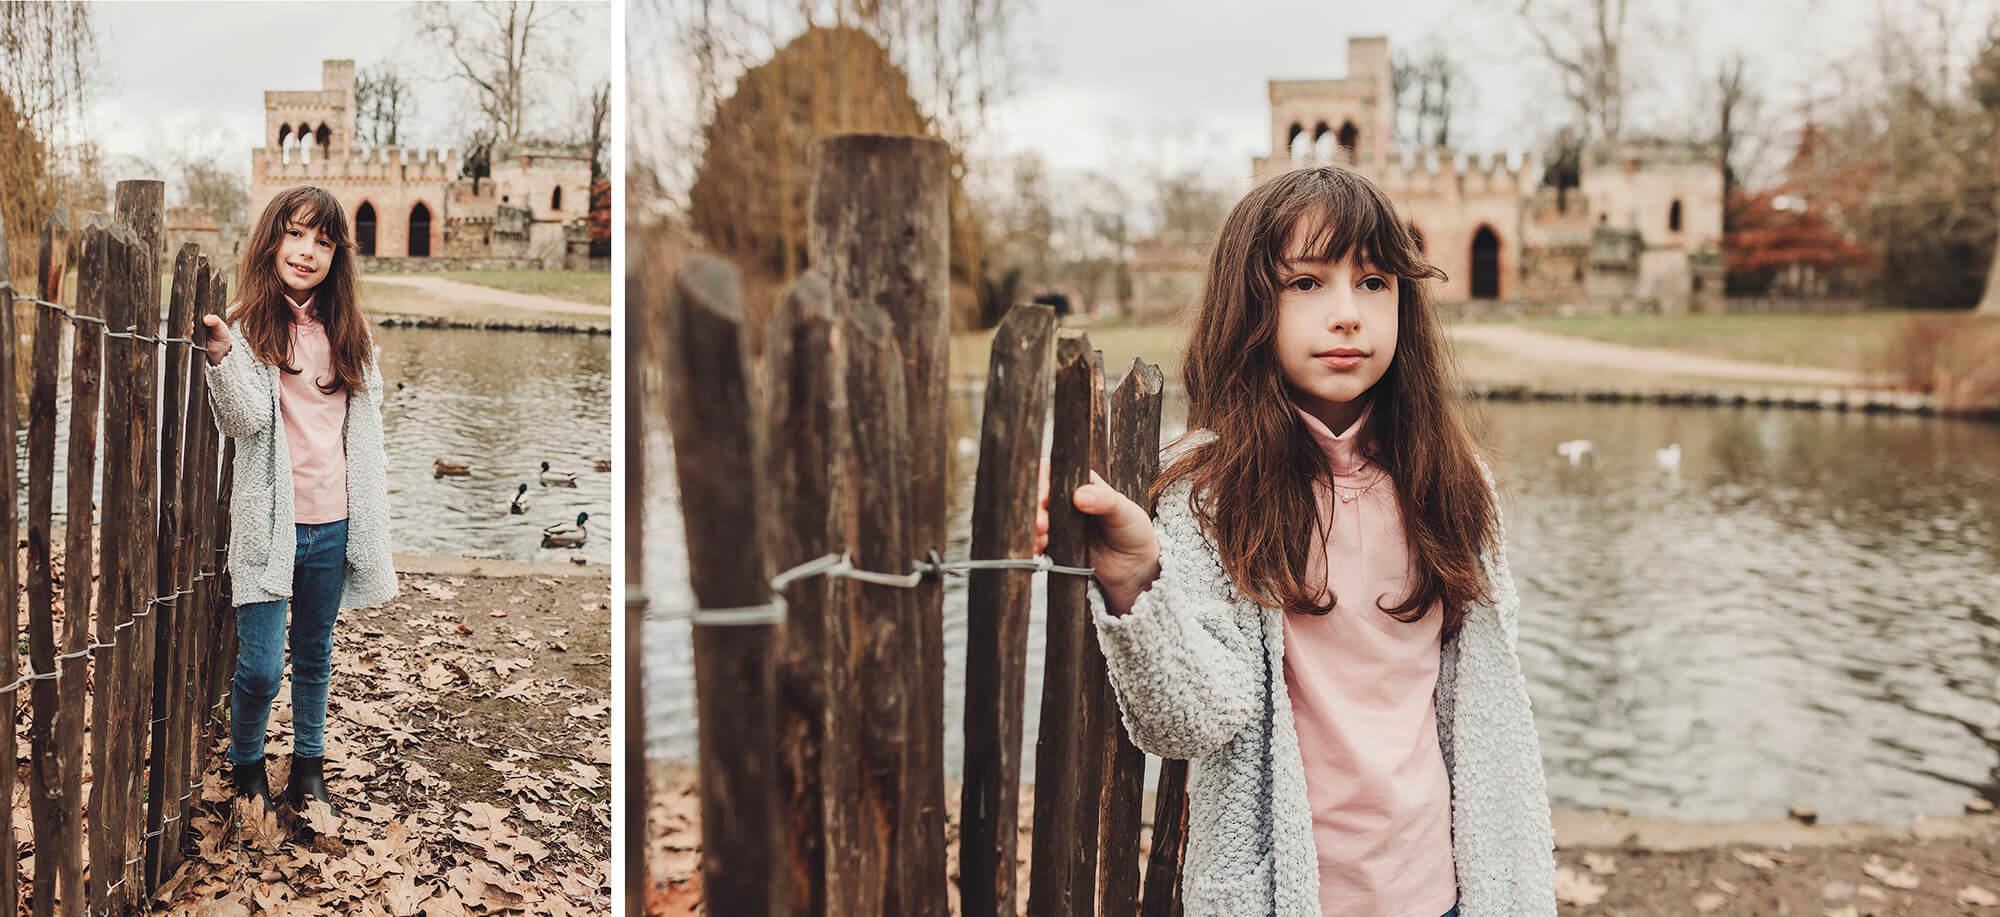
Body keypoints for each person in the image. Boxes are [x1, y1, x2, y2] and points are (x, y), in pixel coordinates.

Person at [1037, 166, 1555, 917]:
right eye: (1306, 283)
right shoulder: (1206, 495)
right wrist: (1134, 577)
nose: (1347, 314)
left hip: (1441, 890)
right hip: (1287, 897)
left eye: (1374, 281)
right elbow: (1186, 718)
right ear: (1250, 304)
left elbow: (1485, 694)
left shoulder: (1453, 482)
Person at [201, 185, 397, 816]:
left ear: (337, 254)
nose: (307, 251)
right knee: (260, 667)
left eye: (323, 239)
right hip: (270, 526)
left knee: (314, 654)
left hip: (333, 522)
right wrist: (223, 359)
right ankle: (247, 763)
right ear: (272, 240)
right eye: (294, 233)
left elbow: (364, 430)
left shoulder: (351, 334)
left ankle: (308, 766)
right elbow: (245, 419)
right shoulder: (247, 326)